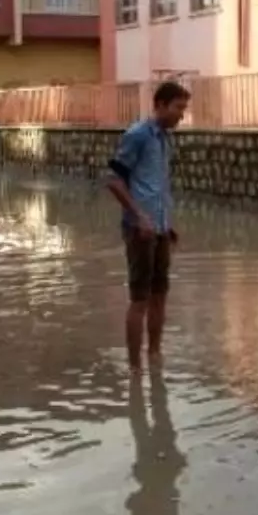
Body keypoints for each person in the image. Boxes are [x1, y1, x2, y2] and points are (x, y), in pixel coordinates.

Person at [106, 81, 190, 373]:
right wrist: (139, 216)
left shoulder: (165, 139)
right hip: (139, 230)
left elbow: (156, 185)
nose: (182, 114)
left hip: (160, 229)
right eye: (178, 108)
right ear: (161, 105)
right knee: (139, 299)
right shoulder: (138, 135)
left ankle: (155, 356)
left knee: (160, 296)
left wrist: (168, 223)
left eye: (184, 108)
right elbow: (114, 181)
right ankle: (134, 369)